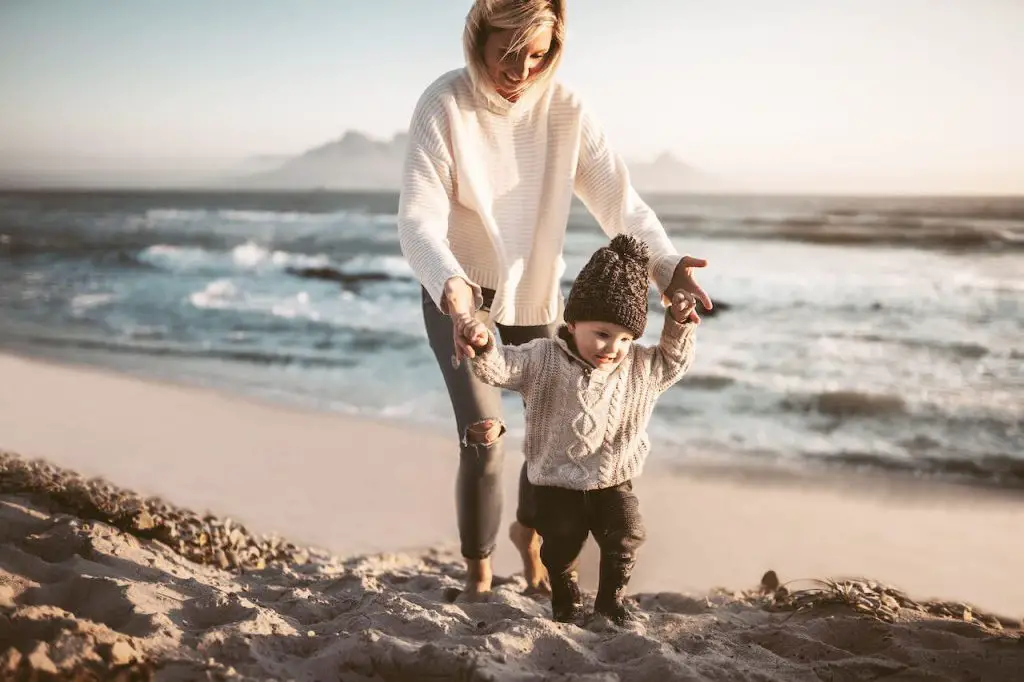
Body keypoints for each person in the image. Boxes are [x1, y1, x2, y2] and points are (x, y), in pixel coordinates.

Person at [397, 0, 712, 599]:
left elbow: (621, 205)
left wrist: (668, 271)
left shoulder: (566, 110)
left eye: (537, 55)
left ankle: (528, 533)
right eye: (507, 55)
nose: (521, 71)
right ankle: (479, 572)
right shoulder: (444, 105)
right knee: (485, 432)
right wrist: (456, 294)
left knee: (553, 430)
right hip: (460, 295)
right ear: (478, 40)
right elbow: (418, 219)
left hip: (538, 295)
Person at [462, 235, 698, 625]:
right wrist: (485, 345)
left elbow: (673, 361)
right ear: (571, 323)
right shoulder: (543, 358)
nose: (612, 347)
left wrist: (678, 322)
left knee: (626, 535)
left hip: (613, 477)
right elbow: (501, 367)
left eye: (625, 338)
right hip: (556, 480)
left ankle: (611, 601)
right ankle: (565, 597)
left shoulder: (639, 366)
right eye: (602, 333)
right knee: (561, 546)